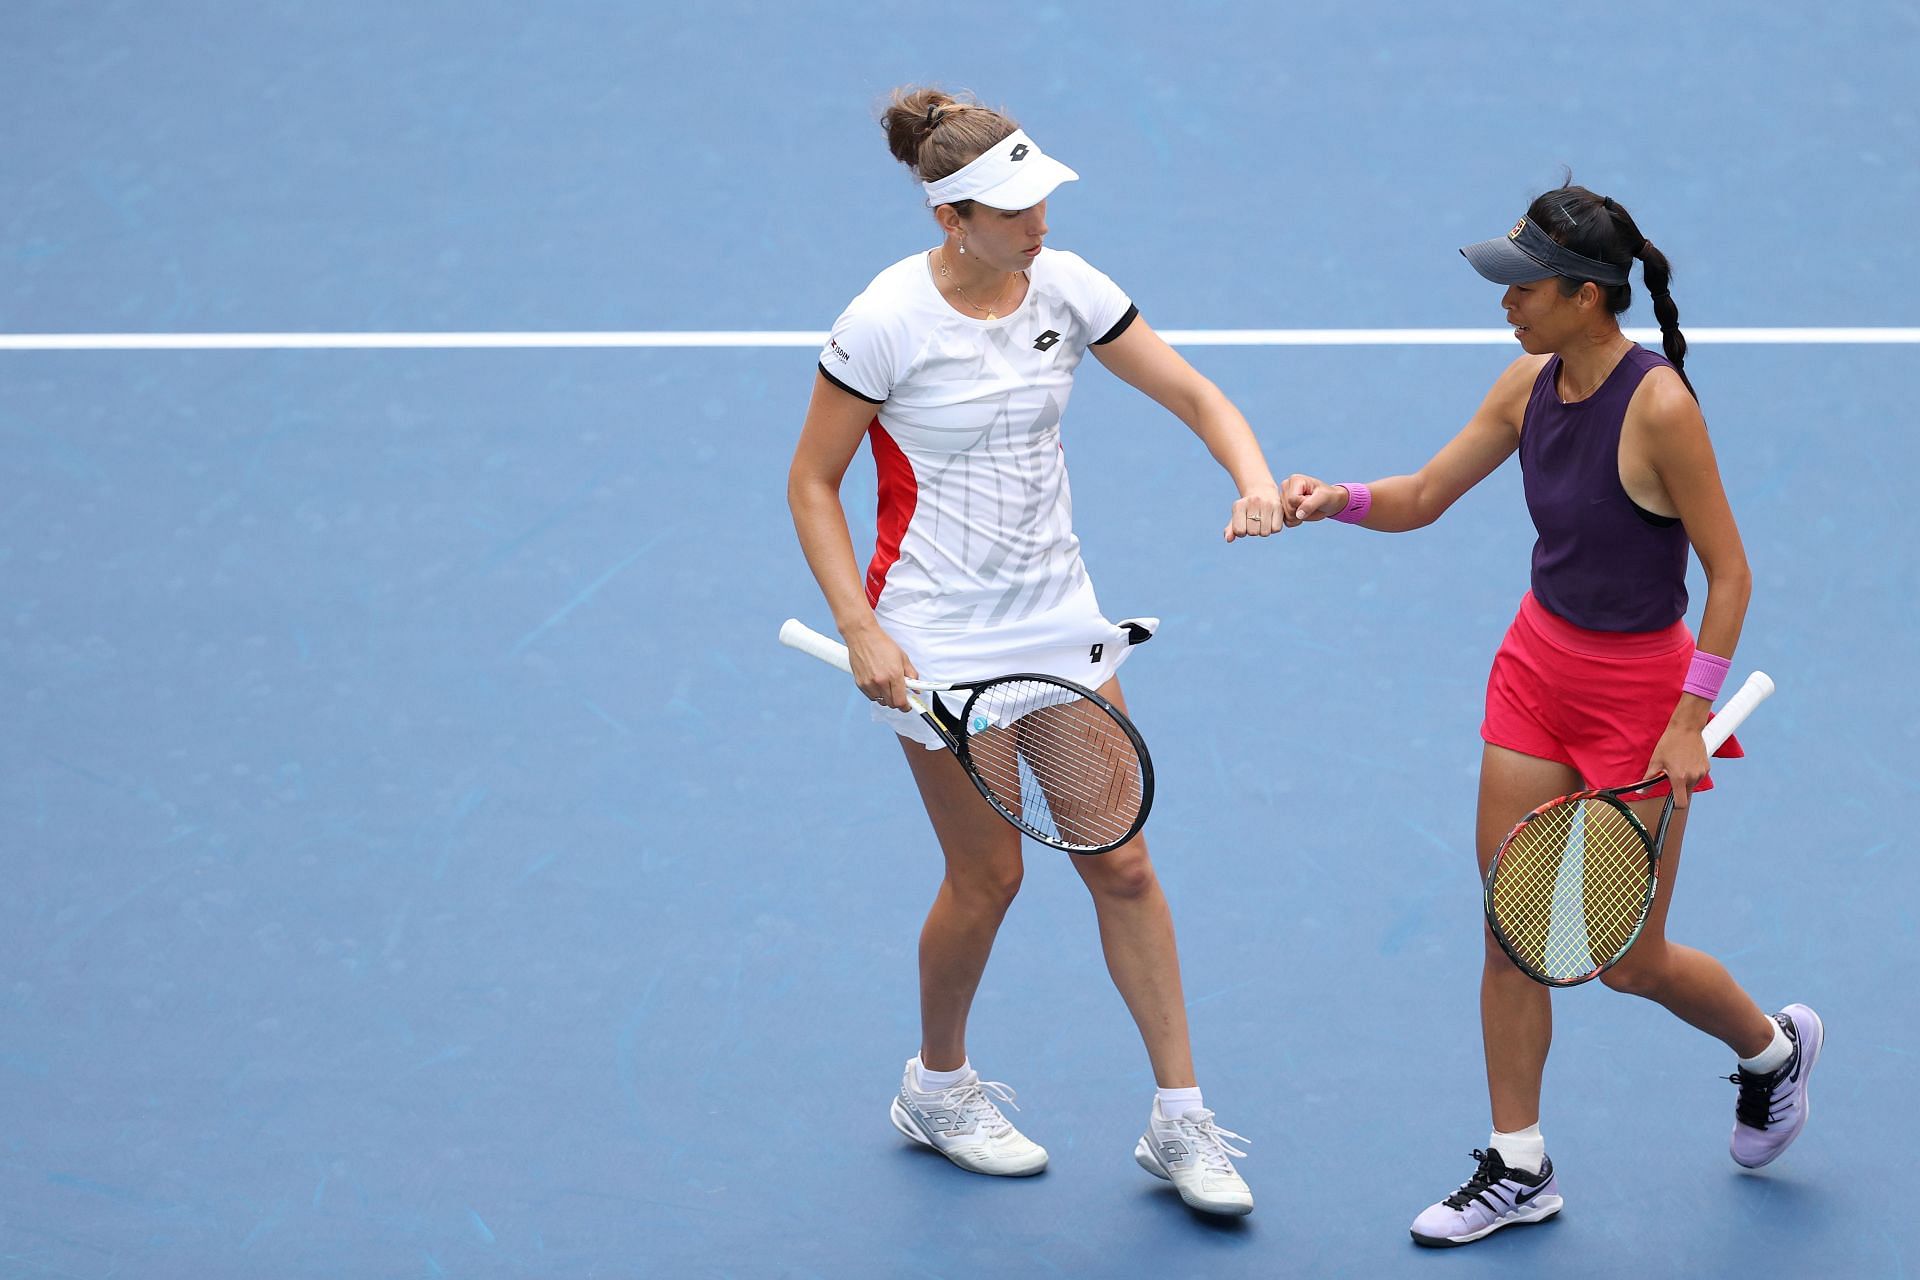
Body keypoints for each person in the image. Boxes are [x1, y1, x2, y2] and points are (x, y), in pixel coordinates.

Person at [1279, 183, 1821, 1247]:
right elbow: (1426, 494)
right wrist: (1331, 498)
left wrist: (1687, 713)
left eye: (1525, 287)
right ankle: (1519, 1165)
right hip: (1537, 668)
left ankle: (1773, 1051)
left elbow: (1732, 575)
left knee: (1630, 961)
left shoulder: (1661, 405)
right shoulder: (1526, 382)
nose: (1507, 304)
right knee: (1513, 930)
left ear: (1586, 295)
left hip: (1640, 699)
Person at [787, 86, 1284, 1216]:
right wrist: (863, 627)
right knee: (990, 875)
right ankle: (939, 1085)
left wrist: (1250, 480)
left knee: (1122, 860)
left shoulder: (1066, 284)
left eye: (1040, 197)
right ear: (952, 217)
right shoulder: (884, 320)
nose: (1038, 221)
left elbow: (1195, 391)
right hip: (938, 635)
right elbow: (810, 481)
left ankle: (1181, 1119)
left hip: (1059, 619)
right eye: (1013, 208)